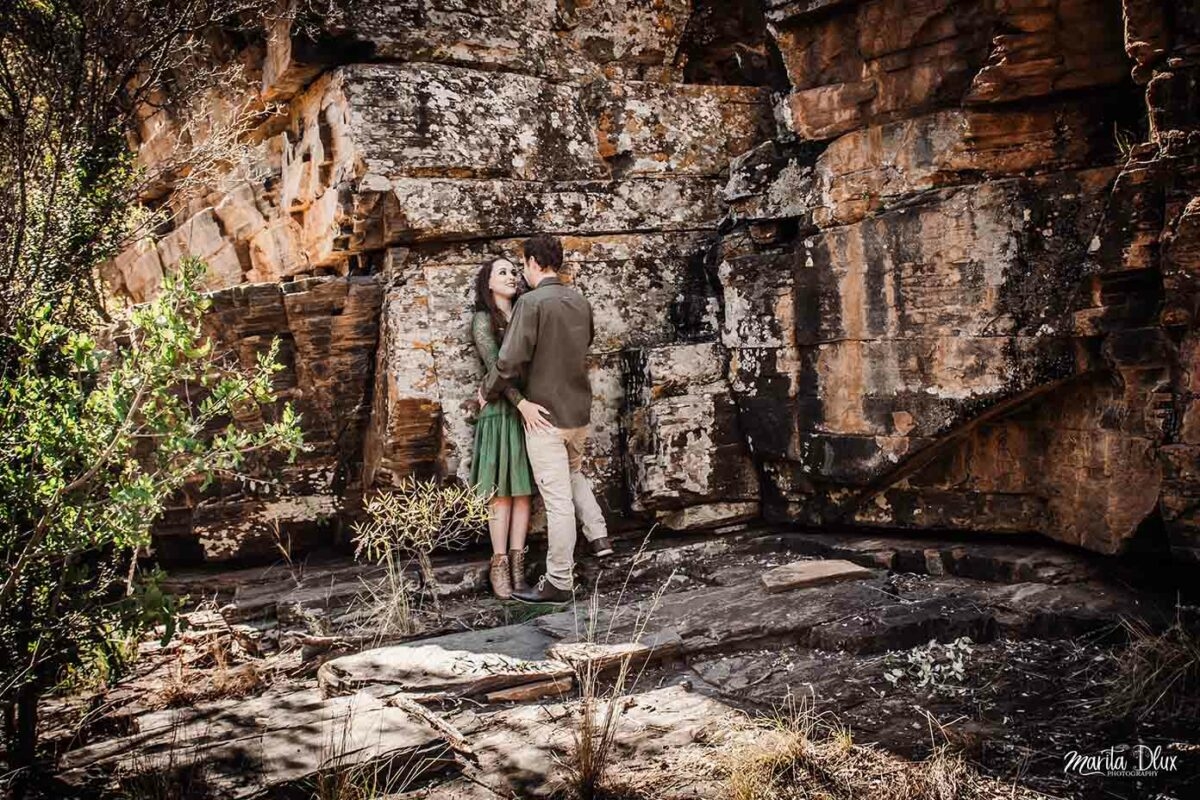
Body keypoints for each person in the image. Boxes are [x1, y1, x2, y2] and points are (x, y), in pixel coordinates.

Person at [480, 234, 613, 605]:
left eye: (523, 264)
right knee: (572, 474)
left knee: (557, 502)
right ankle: (599, 534)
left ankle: (558, 582)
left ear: (534, 262)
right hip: (578, 413)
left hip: (545, 417)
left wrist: (488, 389)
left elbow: (509, 361)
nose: (522, 271)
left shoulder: (531, 303)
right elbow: (584, 344)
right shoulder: (580, 301)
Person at [468, 257, 550, 599]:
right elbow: (496, 367)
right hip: (503, 411)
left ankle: (518, 565)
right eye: (502, 272)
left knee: (522, 492)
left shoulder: (526, 313)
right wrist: (521, 403)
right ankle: (499, 563)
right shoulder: (483, 319)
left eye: (514, 271)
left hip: (528, 409)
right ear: (488, 283)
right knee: (501, 493)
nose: (511, 276)